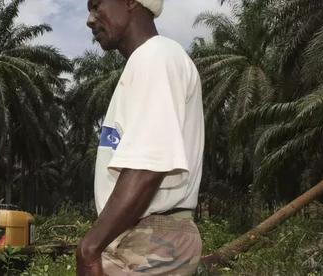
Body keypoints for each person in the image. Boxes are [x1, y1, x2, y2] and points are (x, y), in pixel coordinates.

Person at [76, 0, 205, 275]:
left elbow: (148, 164)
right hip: (142, 235)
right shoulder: (146, 62)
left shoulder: (156, 56)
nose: (90, 19)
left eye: (97, 6)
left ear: (131, 2)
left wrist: (89, 249)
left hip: (153, 238)